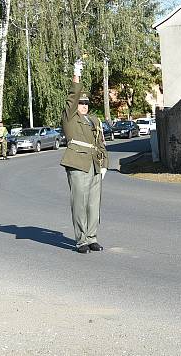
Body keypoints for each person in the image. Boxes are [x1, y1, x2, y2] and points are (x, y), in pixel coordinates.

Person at [60, 58, 108, 253]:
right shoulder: (69, 118)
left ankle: (92, 237)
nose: (83, 106)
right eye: (81, 103)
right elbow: (72, 96)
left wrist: (104, 164)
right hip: (78, 162)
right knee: (79, 203)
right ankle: (81, 240)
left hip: (95, 164)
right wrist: (76, 73)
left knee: (93, 204)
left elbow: (101, 143)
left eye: (86, 103)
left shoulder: (94, 120)